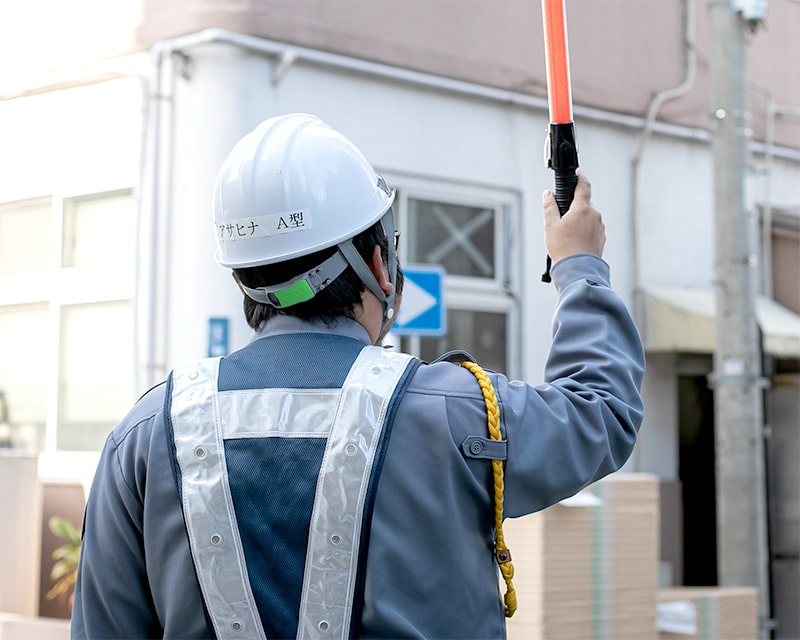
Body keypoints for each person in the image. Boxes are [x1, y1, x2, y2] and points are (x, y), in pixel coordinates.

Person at [71, 113, 645, 640]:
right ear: (379, 266)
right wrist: (579, 265)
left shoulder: (145, 436)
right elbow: (602, 410)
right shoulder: (455, 411)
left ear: (242, 277)